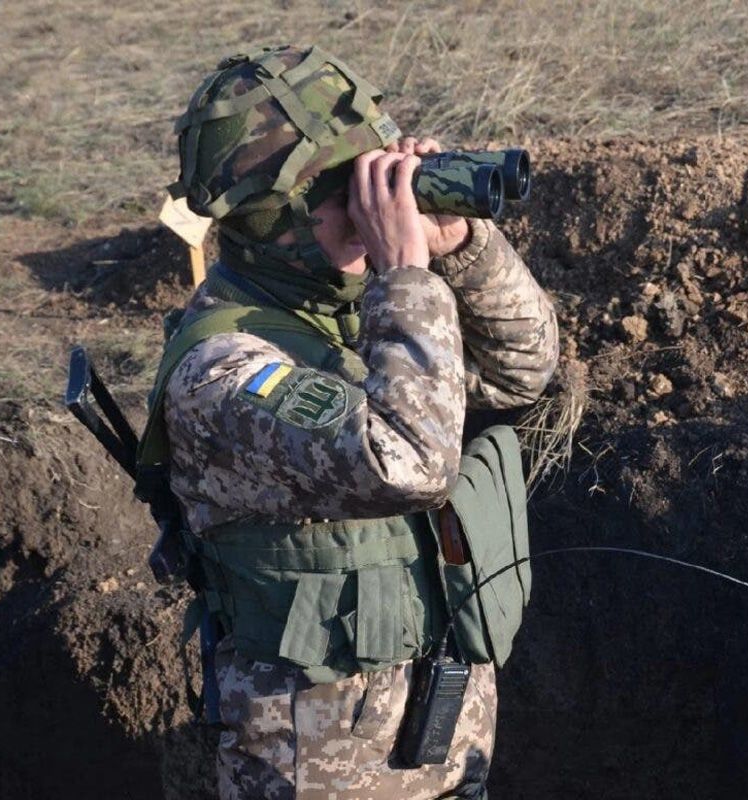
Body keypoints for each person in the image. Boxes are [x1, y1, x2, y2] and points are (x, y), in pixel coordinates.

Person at [146, 45, 558, 799]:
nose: (378, 202)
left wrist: (460, 249)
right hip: (319, 775)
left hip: (443, 748)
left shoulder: (359, 316)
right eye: (349, 189)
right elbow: (409, 461)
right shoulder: (224, 371)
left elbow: (521, 369)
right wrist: (405, 276)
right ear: (278, 216)